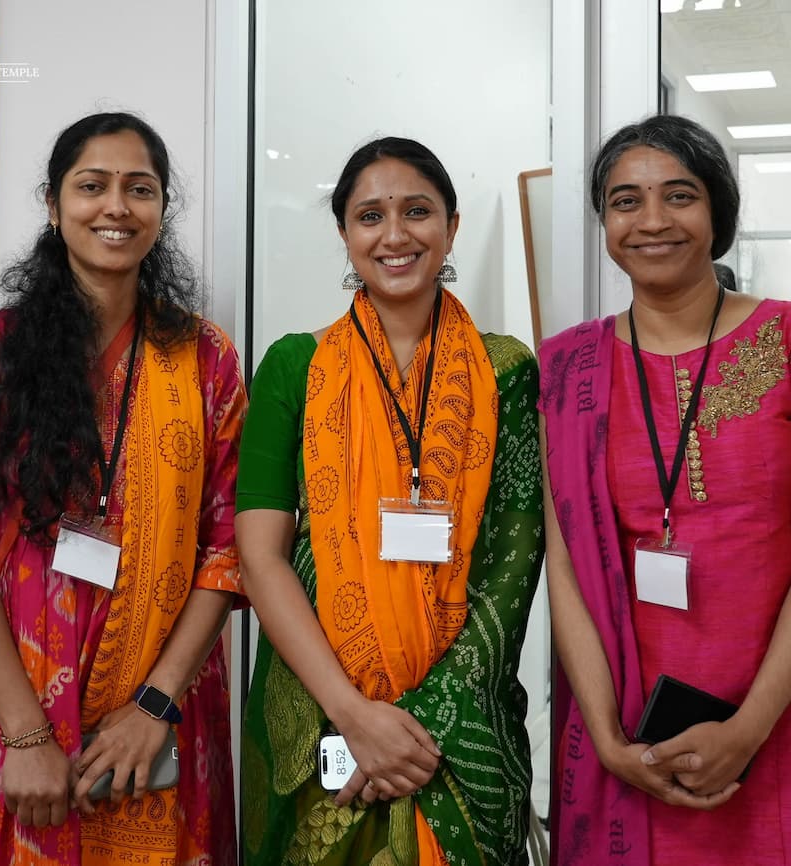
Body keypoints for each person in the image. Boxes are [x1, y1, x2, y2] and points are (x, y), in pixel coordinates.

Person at [0, 112, 246, 865]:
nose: (116, 206)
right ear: (54, 206)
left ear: (162, 209)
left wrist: (154, 704)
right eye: (93, 186)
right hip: (6, 713)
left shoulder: (207, 361)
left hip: (160, 715)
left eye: (140, 189)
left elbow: (227, 552)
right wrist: (26, 735)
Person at [538, 114, 791, 865]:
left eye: (679, 195)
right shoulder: (567, 367)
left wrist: (746, 730)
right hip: (632, 720)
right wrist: (607, 737)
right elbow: (566, 567)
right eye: (625, 201)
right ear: (604, 222)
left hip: (781, 711)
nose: (652, 220)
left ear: (718, 212)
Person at [236, 137, 544, 865]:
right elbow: (259, 558)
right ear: (345, 233)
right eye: (370, 215)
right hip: (319, 712)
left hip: (461, 723)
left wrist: (420, 722)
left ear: (452, 227)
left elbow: (514, 563)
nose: (395, 234)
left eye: (417, 211)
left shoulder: (507, 370)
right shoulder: (293, 366)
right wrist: (355, 715)